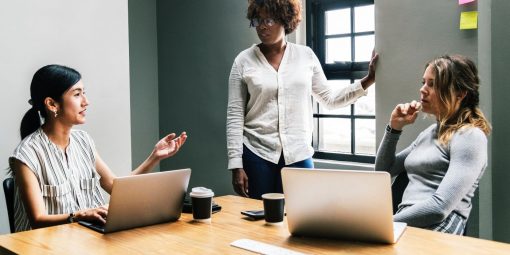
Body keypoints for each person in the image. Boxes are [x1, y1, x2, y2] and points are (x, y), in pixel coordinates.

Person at [227, 0, 378, 199]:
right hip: (256, 152)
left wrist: (367, 81)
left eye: (269, 19)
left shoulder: (306, 56)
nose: (262, 26)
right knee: (259, 219)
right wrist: (236, 165)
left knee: (300, 217)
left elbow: (329, 99)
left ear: (285, 19)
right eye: (257, 20)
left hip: (298, 152)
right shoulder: (243, 60)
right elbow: (235, 114)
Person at [8, 64, 187, 232]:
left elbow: (116, 188)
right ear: (52, 104)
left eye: (84, 93)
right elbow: (37, 220)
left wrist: (154, 157)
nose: (86, 102)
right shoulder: (26, 154)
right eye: (77, 94)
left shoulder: (84, 141)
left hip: (89, 239)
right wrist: (80, 215)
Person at [375, 55, 491, 235]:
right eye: (423, 82)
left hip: (440, 223)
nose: (423, 90)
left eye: (432, 84)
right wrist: (394, 128)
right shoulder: (428, 133)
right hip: (406, 218)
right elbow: (384, 170)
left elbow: (439, 208)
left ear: (460, 94)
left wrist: (383, 222)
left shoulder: (470, 136)